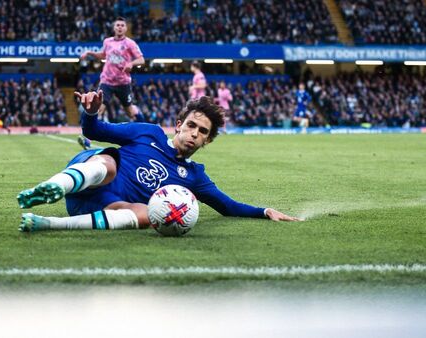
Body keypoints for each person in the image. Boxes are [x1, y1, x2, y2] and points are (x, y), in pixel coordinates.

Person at [17, 90, 301, 233]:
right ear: (178, 124)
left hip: (99, 208)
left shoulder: (194, 177)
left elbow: (228, 207)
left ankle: (48, 223)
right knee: (110, 161)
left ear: (208, 141)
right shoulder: (148, 132)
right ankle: (53, 186)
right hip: (88, 178)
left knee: (146, 214)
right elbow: (95, 131)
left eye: (203, 132)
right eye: (191, 125)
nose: (194, 133)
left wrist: (264, 211)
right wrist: (90, 113)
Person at [78, 16, 145, 150]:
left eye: (122, 25)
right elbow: (103, 55)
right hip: (107, 81)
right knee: (99, 107)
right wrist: (89, 53)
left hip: (123, 82)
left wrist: (131, 63)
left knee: (130, 111)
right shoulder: (107, 42)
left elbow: (141, 60)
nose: (119, 27)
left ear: (125, 28)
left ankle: (144, 130)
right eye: (117, 25)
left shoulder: (130, 43)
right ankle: (87, 138)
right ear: (114, 28)